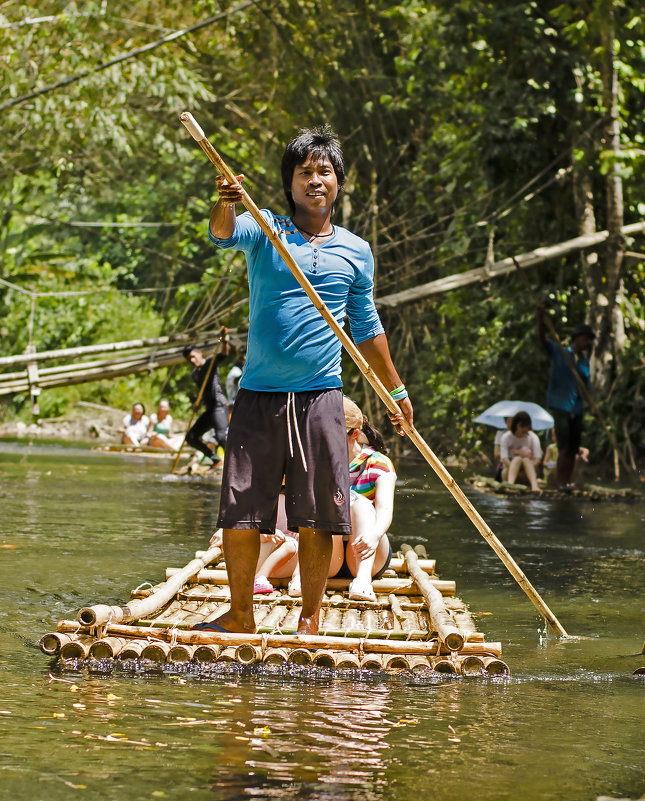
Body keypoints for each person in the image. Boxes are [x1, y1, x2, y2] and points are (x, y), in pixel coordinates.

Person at [200, 125, 413, 636]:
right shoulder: (266, 228)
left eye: (324, 171)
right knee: (240, 510)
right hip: (257, 395)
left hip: (321, 396)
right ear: (289, 184)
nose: (314, 180)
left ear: (338, 182)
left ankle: (310, 618)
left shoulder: (355, 251)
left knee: (319, 513)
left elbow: (366, 325)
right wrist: (227, 201)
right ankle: (241, 613)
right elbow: (221, 233)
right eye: (303, 173)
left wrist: (396, 390)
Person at [538, 308, 594, 491]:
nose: (588, 342)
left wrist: (592, 406)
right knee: (563, 447)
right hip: (560, 405)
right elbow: (543, 341)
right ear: (577, 338)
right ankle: (560, 483)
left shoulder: (584, 361)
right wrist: (540, 319)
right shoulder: (561, 351)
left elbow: (586, 388)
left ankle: (568, 482)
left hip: (576, 408)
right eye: (586, 338)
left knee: (573, 449)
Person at [182, 328, 230, 469]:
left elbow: (224, 354)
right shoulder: (195, 374)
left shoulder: (210, 363)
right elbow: (203, 392)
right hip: (210, 409)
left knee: (221, 437)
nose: (191, 360)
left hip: (219, 406)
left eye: (192, 356)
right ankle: (215, 460)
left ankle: (234, 465)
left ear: (199, 353)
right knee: (191, 437)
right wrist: (197, 404)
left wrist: (223, 338)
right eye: (188, 359)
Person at [499, 411, 542, 492]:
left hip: (527, 474)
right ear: (516, 425)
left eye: (526, 426)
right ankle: (510, 484)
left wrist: (525, 468)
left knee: (526, 460)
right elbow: (504, 459)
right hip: (508, 472)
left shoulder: (533, 437)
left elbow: (537, 459)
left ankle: (534, 486)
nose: (525, 429)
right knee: (517, 459)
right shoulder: (506, 437)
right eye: (522, 426)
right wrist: (515, 467)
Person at [493, 417, 513, 481]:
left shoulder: (522, 435)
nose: (511, 423)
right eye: (509, 421)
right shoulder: (500, 434)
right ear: (506, 422)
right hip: (504, 465)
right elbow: (496, 454)